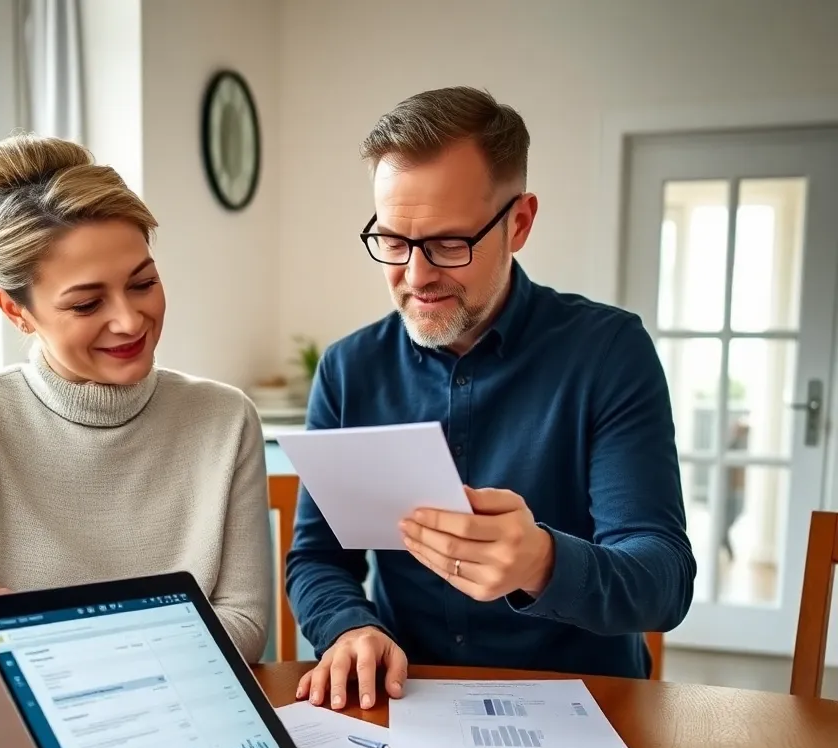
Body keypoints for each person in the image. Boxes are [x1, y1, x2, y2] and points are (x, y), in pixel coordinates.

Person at [286, 86, 696, 711]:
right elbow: (317, 559)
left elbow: (664, 582)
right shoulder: (348, 370)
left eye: (450, 244)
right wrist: (350, 626)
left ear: (520, 223)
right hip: (409, 701)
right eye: (394, 242)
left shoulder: (609, 351)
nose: (417, 276)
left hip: (586, 709)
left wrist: (543, 564)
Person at [0, 133, 271, 706]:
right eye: (86, 303)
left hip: (186, 717)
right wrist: (168, 638)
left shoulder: (225, 419)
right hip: (33, 739)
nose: (131, 321)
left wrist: (37, 637)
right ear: (16, 311)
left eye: (144, 283)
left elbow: (246, 629)